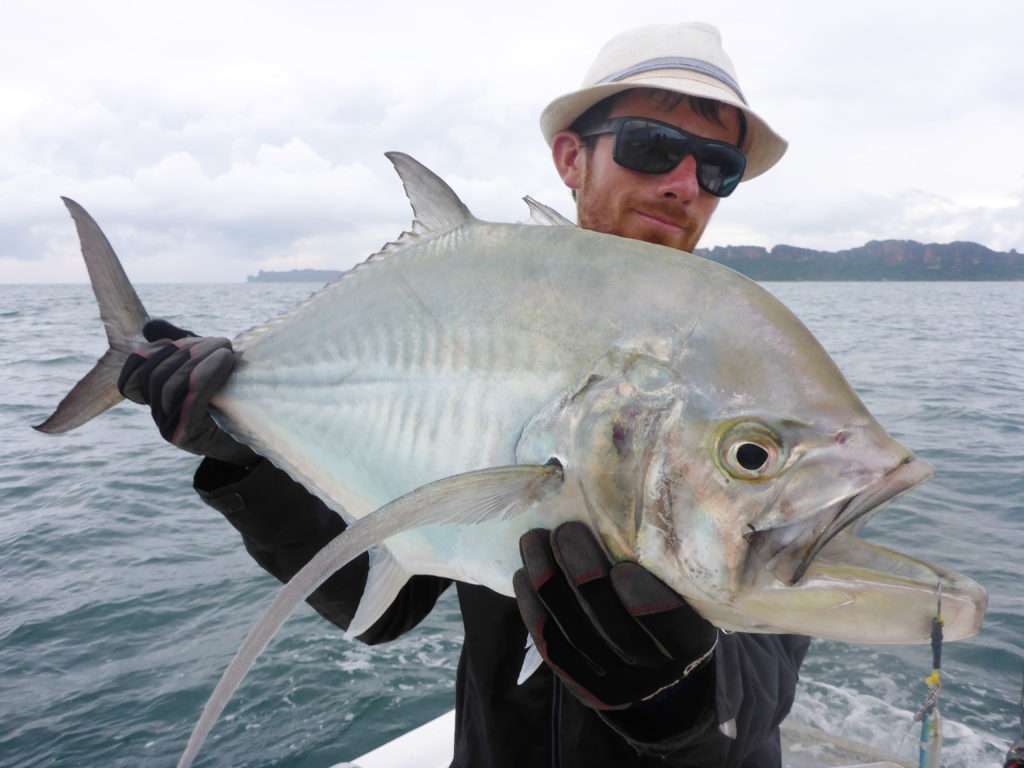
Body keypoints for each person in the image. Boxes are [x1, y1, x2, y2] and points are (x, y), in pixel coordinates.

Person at [118, 22, 809, 768]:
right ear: (570, 159)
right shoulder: (478, 335)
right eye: (650, 147)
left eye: (719, 167)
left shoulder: (752, 380)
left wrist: (681, 694)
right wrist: (241, 455)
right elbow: (375, 605)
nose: (683, 184)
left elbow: (774, 662)